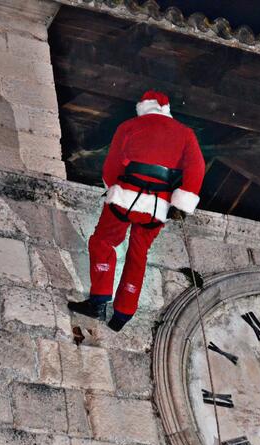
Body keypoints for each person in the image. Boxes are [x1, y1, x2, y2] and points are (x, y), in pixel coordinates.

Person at [68, 90, 206, 332]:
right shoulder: (186, 134)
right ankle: (123, 313)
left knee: (103, 241)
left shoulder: (130, 125)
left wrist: (112, 188)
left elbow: (112, 164)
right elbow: (196, 168)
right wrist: (181, 204)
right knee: (138, 254)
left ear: (143, 107)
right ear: (166, 109)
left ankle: (99, 300)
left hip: (125, 197)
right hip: (156, 208)